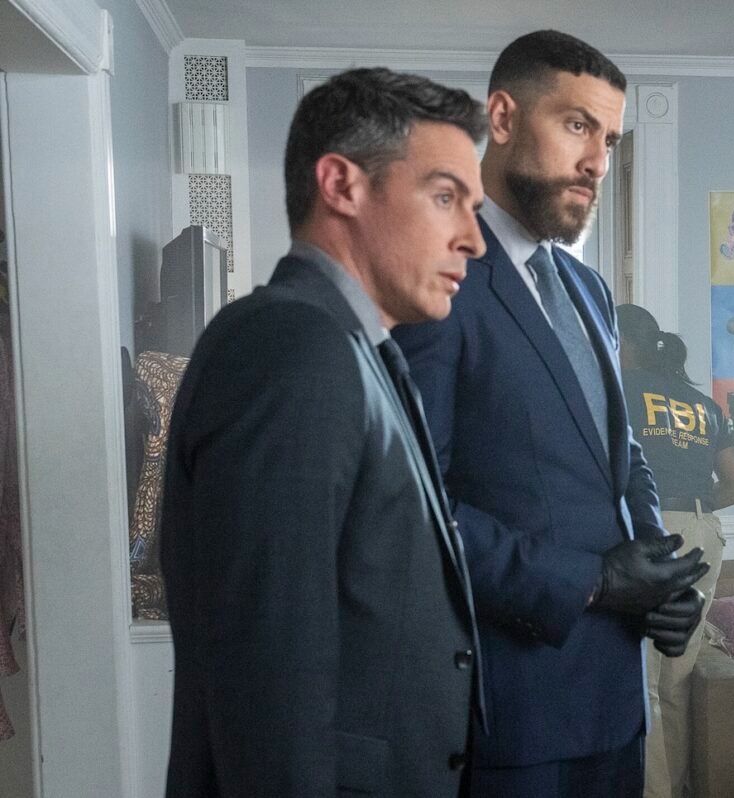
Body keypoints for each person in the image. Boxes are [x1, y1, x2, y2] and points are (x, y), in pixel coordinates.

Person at [391, 30, 707, 797]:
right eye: (576, 125)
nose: (597, 160)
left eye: (610, 139)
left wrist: (658, 575)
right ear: (502, 118)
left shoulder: (588, 289)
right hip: (513, 719)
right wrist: (591, 581)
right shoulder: (439, 278)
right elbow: (411, 510)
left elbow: (620, 454)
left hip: (616, 708)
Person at [159, 68, 489, 796]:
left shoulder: (353, 347)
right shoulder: (291, 346)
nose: (473, 239)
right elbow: (269, 674)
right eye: (445, 198)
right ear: (342, 185)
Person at [616, 303, 734, 798]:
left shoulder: (619, 389)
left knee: (645, 678)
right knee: (675, 678)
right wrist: (692, 505)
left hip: (653, 531)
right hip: (703, 532)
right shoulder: (702, 404)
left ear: (620, 342)